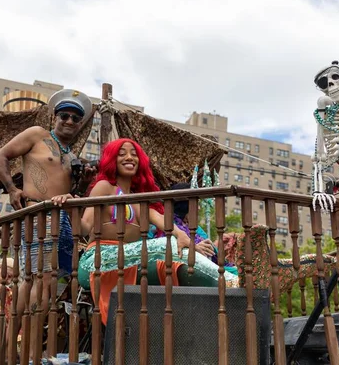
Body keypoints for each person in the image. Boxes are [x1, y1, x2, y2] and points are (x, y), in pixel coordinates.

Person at [53, 139, 239, 325]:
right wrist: (70, 208)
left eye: (134, 154)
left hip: (129, 263)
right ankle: (233, 282)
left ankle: (235, 283)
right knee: (167, 246)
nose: (129, 157)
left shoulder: (141, 198)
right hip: (97, 261)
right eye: (122, 153)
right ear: (112, 159)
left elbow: (164, 223)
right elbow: (83, 227)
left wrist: (185, 239)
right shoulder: (105, 187)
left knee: (176, 257)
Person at [0, 89, 96, 344]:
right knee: (31, 284)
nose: (69, 121)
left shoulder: (73, 157)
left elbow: (72, 194)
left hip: (61, 221)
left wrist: (85, 181)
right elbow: (0, 156)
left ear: (80, 124)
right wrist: (12, 189)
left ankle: (22, 350)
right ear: (55, 117)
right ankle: (8, 351)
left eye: (74, 118)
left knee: (46, 287)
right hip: (38, 214)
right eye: (64, 115)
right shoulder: (37, 135)